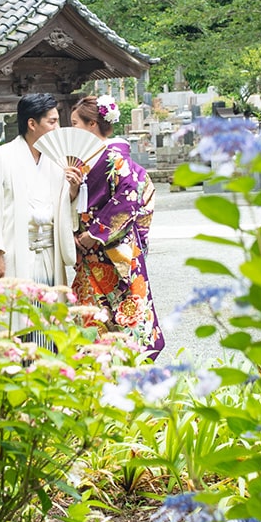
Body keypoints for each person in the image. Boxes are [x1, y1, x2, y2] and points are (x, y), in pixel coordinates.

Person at [70, 95, 165, 359]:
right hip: (89, 251)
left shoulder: (115, 157)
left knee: (127, 313)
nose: (71, 129)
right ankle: (94, 369)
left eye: (75, 123)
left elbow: (130, 199)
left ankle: (130, 368)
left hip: (115, 250)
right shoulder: (81, 160)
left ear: (91, 124)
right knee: (89, 314)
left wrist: (95, 233)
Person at [0, 93, 81, 290]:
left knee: (47, 310)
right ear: (32, 123)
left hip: (49, 253)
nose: (57, 128)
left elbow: (61, 207)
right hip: (12, 251)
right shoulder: (0, 158)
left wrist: (72, 191)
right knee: (15, 310)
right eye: (52, 122)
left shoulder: (56, 162)